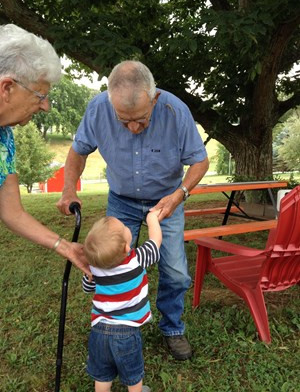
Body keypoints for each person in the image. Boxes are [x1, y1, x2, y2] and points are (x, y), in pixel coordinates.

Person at [57, 60, 209, 360]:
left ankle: (172, 328)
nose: (133, 128)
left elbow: (200, 160)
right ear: (111, 101)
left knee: (176, 273)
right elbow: (78, 150)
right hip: (121, 200)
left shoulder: (176, 110)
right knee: (107, 264)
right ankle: (114, 324)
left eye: (140, 118)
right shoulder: (98, 108)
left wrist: (181, 193)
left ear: (154, 98)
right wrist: (68, 187)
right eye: (123, 120)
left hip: (167, 201)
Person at [0, 23, 90, 276]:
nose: (46, 106)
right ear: (7, 88)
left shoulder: (4, 136)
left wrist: (64, 247)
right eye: (40, 96)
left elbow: (12, 212)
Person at [82, 210, 162, 392]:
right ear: (127, 248)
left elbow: (87, 288)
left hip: (99, 331)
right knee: (133, 376)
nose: (127, 226)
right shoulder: (136, 259)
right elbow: (155, 242)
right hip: (127, 332)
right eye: (125, 227)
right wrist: (152, 220)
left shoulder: (94, 267)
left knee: (103, 375)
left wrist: (88, 275)